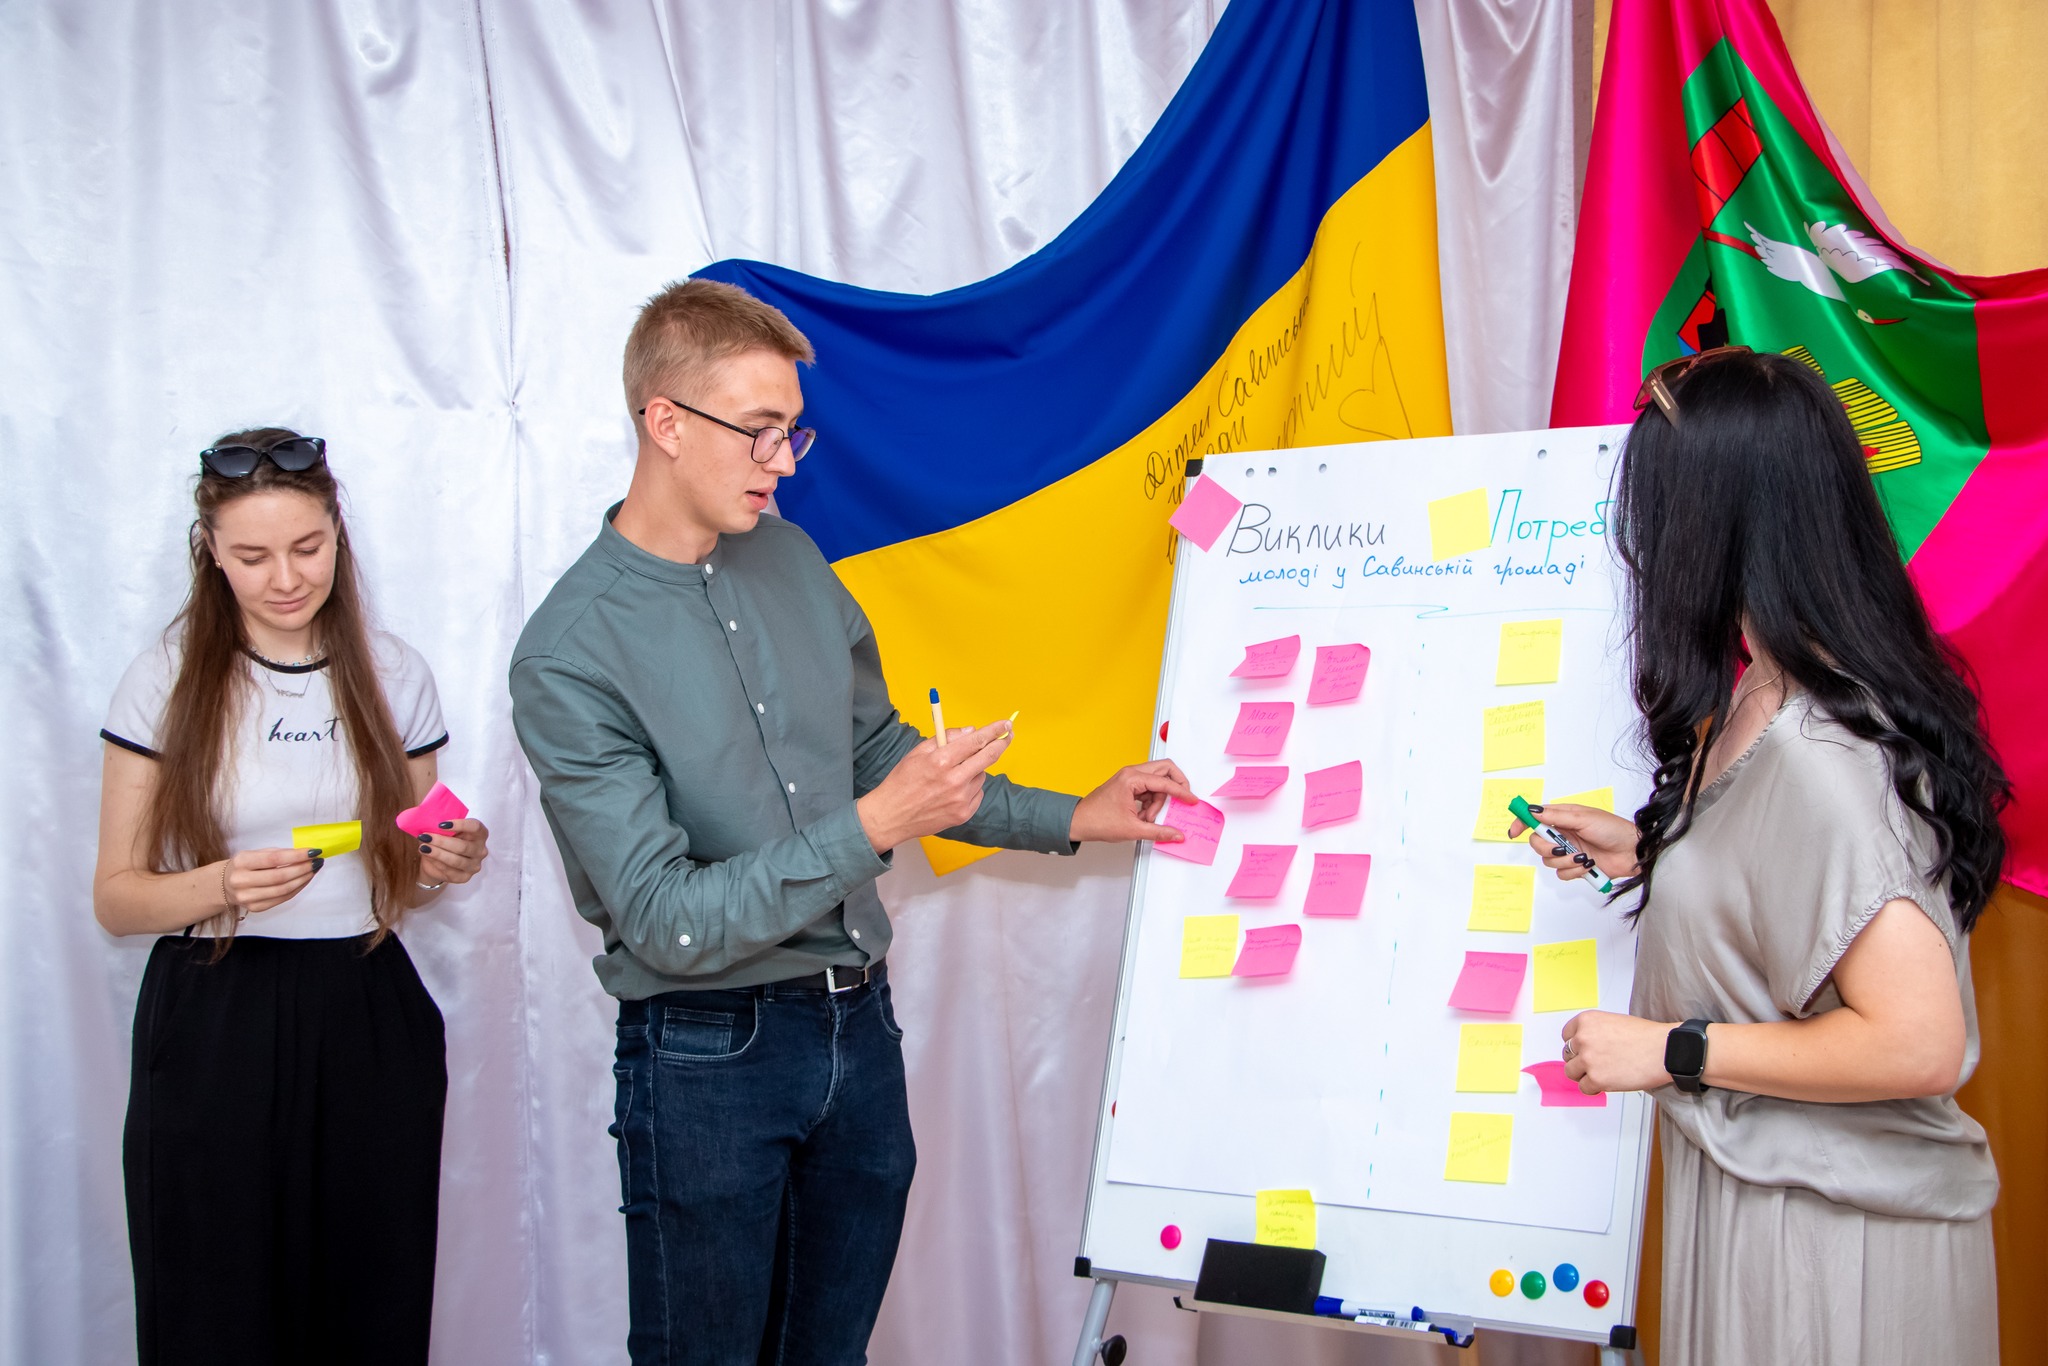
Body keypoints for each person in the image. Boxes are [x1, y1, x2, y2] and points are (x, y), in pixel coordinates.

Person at [509, 278, 1193, 1365]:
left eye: (792, 431)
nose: (783, 462)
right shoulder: (568, 653)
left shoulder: (788, 557)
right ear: (666, 422)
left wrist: (1078, 813)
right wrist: (873, 824)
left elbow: (880, 756)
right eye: (759, 431)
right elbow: (667, 920)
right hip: (706, 1057)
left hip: (858, 1029)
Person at [1511, 349, 2005, 1366]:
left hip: (1829, 1245)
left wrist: (1671, 1050)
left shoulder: (1825, 754)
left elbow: (1916, 1043)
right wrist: (1655, 853)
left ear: (1709, 521)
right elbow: (1789, 887)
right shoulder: (1763, 688)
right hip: (1762, 1201)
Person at [94, 430, 491, 1365]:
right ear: (209, 552)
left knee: (370, 1303)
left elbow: (412, 861)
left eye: (307, 548)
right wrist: (219, 886)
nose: (285, 579)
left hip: (367, 1007)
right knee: (214, 1307)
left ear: (339, 535)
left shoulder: (396, 673)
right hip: (214, 1010)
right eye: (252, 556)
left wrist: (447, 859)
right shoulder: (164, 678)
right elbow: (115, 899)